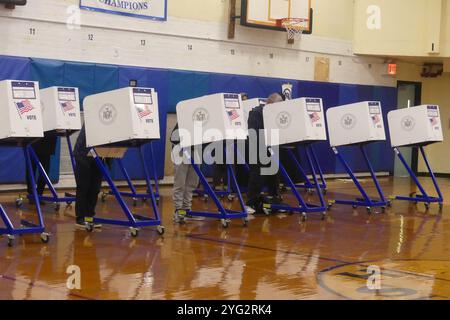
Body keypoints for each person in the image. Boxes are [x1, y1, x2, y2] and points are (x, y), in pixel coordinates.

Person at [246, 92, 285, 214]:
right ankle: (251, 203)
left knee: (274, 174)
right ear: (270, 102)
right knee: (257, 175)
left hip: (271, 147)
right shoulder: (256, 112)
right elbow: (254, 132)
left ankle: (275, 200)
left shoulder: (276, 115)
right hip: (256, 147)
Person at [171, 123, 204, 222]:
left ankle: (187, 210)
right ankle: (178, 211)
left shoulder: (203, 122)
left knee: (192, 183)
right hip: (181, 151)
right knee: (180, 183)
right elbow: (173, 138)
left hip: (195, 152)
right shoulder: (182, 119)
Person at [73, 125, 104, 229]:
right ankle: (80, 218)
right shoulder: (92, 119)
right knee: (83, 187)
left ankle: (89, 218)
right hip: (83, 155)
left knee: (95, 188)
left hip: (99, 156)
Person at [26, 131, 57, 204]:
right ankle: (32, 194)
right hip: (33, 138)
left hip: (47, 139)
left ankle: (39, 193)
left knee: (45, 171)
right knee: (31, 168)